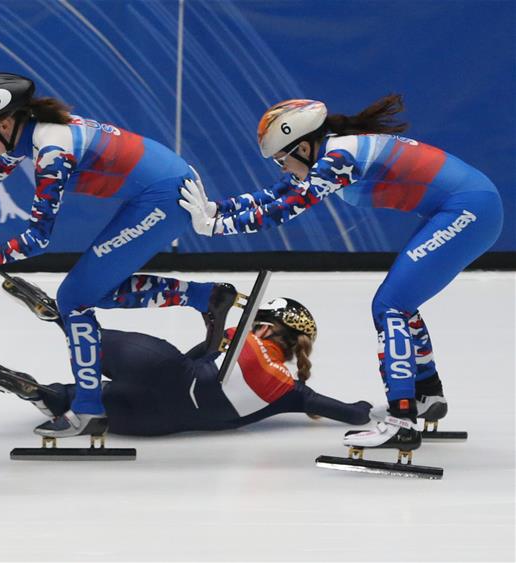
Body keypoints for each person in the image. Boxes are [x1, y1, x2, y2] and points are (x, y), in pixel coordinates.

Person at [179, 95, 503, 453]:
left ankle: (401, 421)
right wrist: (216, 209)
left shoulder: (339, 158)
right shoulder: (333, 152)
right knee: (401, 304)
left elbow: (285, 210)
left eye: (281, 159)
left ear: (303, 147)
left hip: (469, 209)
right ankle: (426, 395)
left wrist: (215, 228)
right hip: (469, 205)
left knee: (390, 306)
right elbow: (274, 195)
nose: (282, 168)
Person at [0, 72, 217, 439]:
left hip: (166, 197)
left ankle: (88, 410)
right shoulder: (32, 131)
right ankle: (206, 297)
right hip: (161, 185)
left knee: (73, 299)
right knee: (93, 291)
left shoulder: (53, 151)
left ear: (6, 122)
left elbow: (36, 240)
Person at [0, 291, 371, 435]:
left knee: (92, 348)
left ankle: (61, 318)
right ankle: (46, 396)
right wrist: (366, 409)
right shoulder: (290, 389)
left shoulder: (242, 341)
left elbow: (192, 360)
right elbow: (349, 414)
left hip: (165, 370)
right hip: (154, 422)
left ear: (265, 329)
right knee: (95, 399)